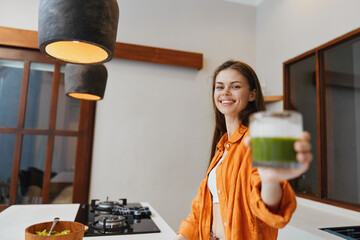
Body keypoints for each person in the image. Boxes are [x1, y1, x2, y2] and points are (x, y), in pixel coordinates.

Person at [174, 60, 312, 240]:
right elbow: (200, 209)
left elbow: (268, 206)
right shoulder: (222, 147)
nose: (225, 93)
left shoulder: (255, 142)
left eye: (235, 86)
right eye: (219, 87)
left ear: (252, 94)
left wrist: (271, 181)